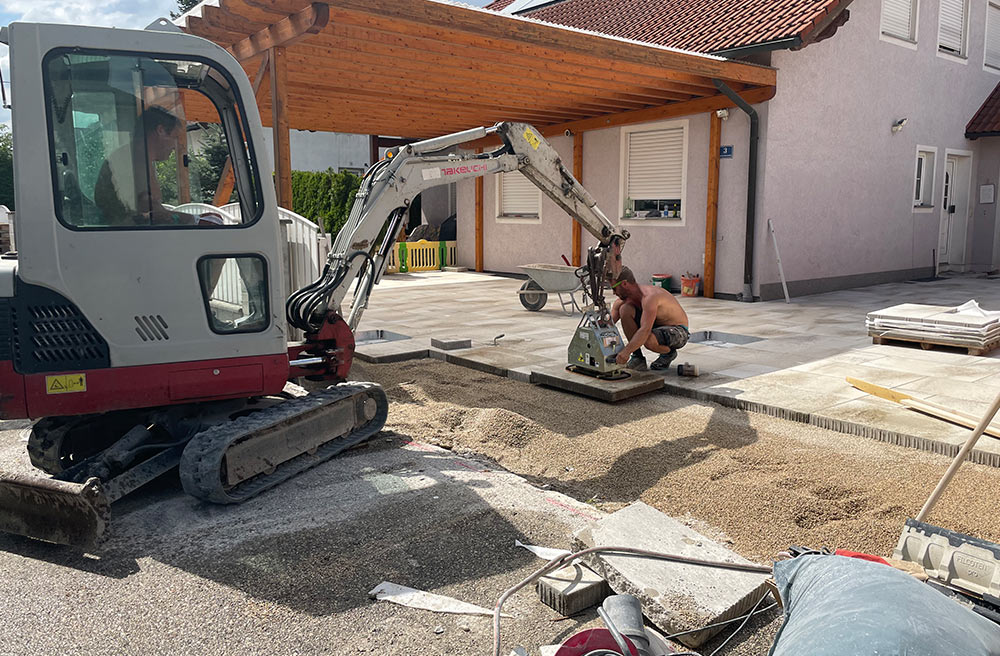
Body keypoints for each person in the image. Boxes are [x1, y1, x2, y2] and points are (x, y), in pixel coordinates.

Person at [94, 105, 195, 226]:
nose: (176, 146)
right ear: (161, 130)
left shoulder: (135, 156)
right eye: (175, 138)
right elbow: (145, 208)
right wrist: (191, 219)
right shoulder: (132, 159)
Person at [609, 267, 690, 371]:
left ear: (624, 284)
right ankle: (638, 358)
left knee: (648, 339)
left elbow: (645, 330)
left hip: (678, 330)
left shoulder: (649, 297)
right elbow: (608, 324)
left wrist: (626, 352)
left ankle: (669, 353)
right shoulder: (622, 301)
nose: (613, 293)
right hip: (655, 326)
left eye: (614, 288)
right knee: (625, 309)